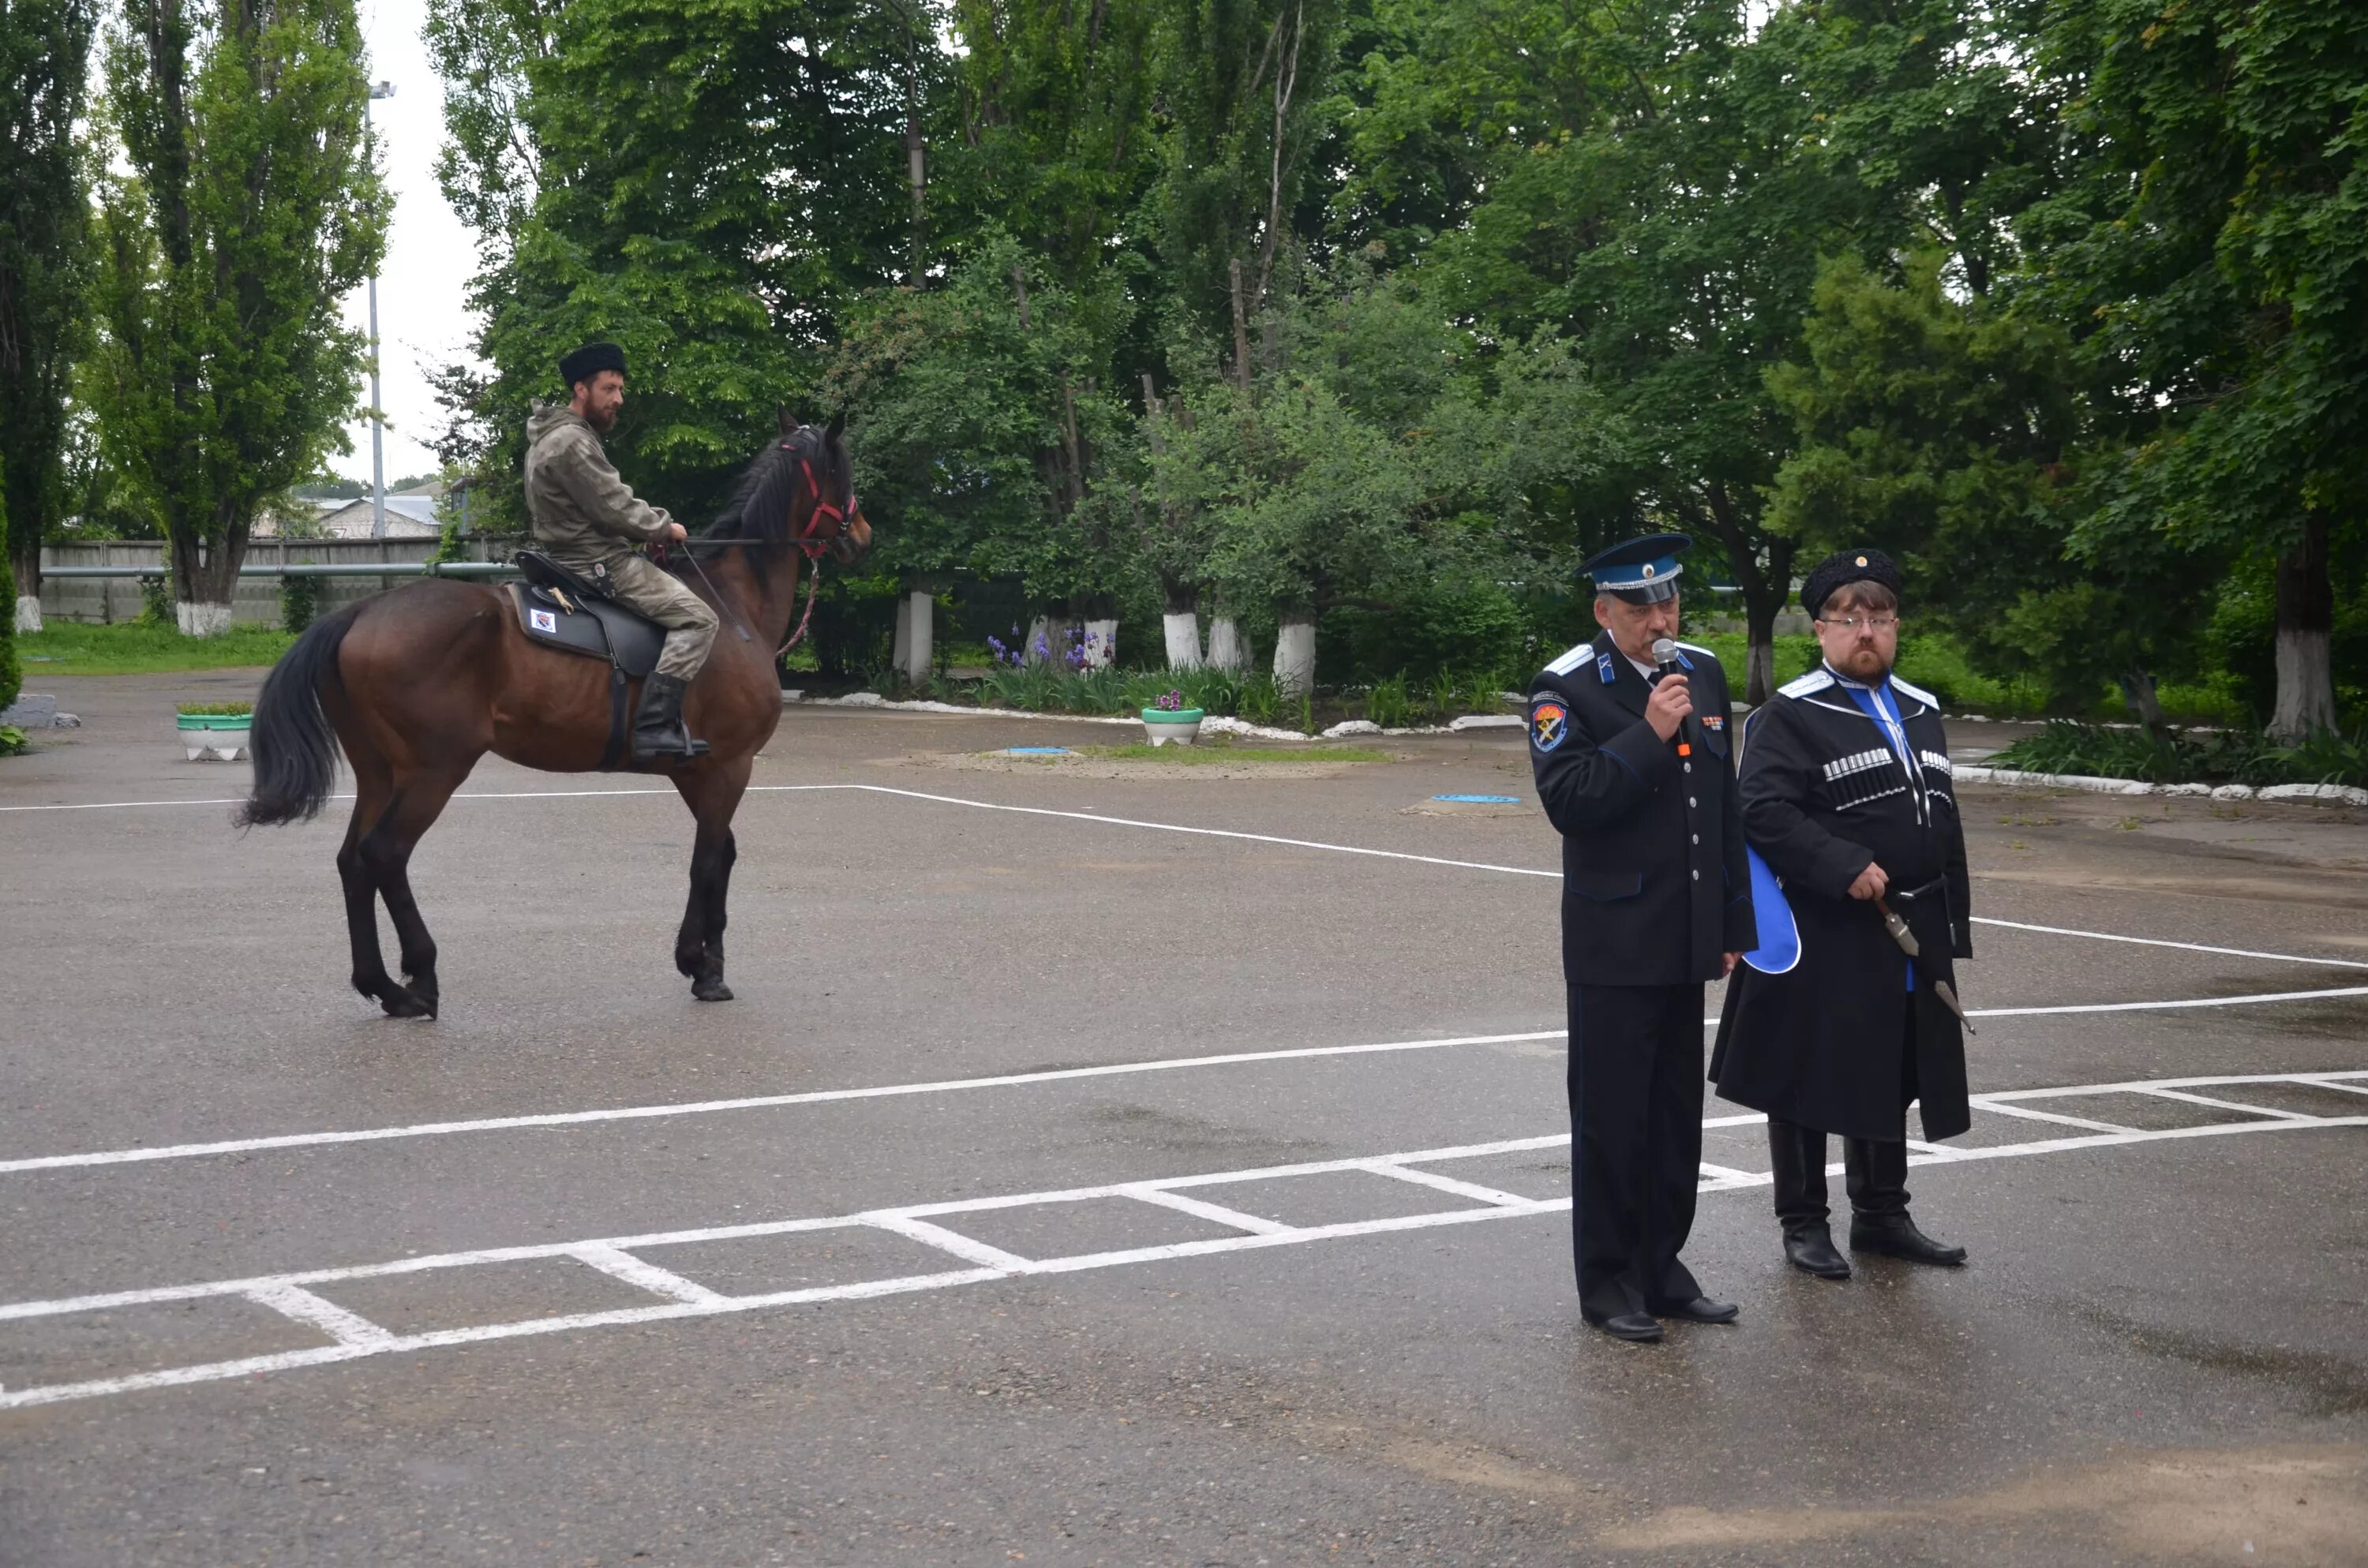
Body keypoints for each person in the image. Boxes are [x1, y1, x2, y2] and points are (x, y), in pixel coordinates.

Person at [1710, 548, 1973, 1278]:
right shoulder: (1788, 714)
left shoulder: (1922, 710)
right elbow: (1759, 810)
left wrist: (1953, 925)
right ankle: (1804, 1223)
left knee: (1889, 1066)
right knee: (1805, 1074)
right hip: (1820, 929)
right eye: (1849, 618)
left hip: (1907, 929)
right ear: (1820, 629)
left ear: (1896, 627)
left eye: (1881, 618)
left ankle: (1882, 1215)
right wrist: (1841, 863)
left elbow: (1941, 820)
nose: (1867, 632)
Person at [1527, 534, 1755, 1343]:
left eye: (1669, 601)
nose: (1659, 619)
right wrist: (1650, 732)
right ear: (1604, 610)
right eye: (1639, 606)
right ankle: (1609, 1281)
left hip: (1686, 933)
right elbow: (1573, 802)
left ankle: (1664, 1266)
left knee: (1671, 1119)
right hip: (1613, 938)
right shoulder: (1567, 687)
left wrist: (1734, 920)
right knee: (1612, 1119)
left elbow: (1720, 805)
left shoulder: (1703, 671)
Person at [523, 341, 719, 759]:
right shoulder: (572, 442)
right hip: (598, 561)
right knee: (699, 620)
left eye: (620, 390)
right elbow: (614, 506)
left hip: (566, 555)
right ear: (581, 389)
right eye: (610, 389)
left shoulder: (550, 437)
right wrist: (664, 527)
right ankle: (653, 726)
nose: (619, 400)